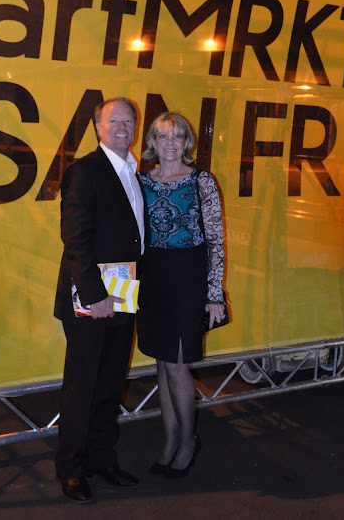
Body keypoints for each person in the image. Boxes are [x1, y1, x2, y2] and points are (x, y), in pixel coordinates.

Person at [53, 97, 145, 502]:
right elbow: (75, 239)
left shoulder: (134, 171)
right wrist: (95, 296)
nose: (122, 127)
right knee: (82, 387)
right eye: (114, 121)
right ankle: (71, 469)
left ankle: (102, 459)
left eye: (129, 121)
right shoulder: (84, 172)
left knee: (110, 385)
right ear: (97, 127)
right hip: (92, 299)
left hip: (124, 295)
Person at [137, 111, 225, 478]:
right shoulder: (141, 181)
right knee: (162, 363)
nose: (170, 142)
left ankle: (189, 441)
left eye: (177, 136)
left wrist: (214, 294)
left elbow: (215, 240)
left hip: (189, 279)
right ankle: (171, 439)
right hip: (153, 278)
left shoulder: (201, 181)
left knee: (177, 364)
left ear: (187, 142)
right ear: (153, 143)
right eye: (163, 136)